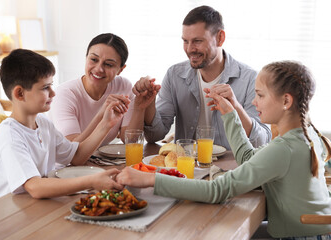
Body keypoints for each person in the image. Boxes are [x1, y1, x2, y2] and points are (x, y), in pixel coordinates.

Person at [117, 61, 331, 239]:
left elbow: (216, 191)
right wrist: (230, 113)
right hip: (313, 231)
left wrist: (151, 179)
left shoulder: (284, 149)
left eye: (260, 95)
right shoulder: (306, 134)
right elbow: (249, 159)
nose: (254, 102)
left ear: (286, 100)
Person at [0, 49, 124, 205]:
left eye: (51, 86)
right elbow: (35, 187)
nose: (53, 93)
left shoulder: (43, 123)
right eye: (45, 88)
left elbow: (76, 157)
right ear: (20, 94)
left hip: (31, 207)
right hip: (3, 217)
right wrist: (90, 181)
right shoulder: (9, 136)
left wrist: (106, 124)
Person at [129, 6, 271, 149]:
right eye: (185, 41)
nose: (190, 49)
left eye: (197, 41)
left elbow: (261, 142)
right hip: (184, 167)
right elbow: (155, 136)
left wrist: (235, 109)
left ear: (220, 38)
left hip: (231, 168)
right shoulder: (174, 75)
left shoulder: (250, 79)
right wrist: (149, 106)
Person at [50, 33, 132, 145]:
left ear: (120, 69)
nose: (99, 69)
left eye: (108, 64)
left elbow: (130, 140)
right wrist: (101, 116)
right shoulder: (65, 94)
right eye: (94, 59)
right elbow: (71, 149)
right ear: (86, 57)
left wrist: (139, 106)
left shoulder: (123, 86)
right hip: (68, 162)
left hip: (101, 160)